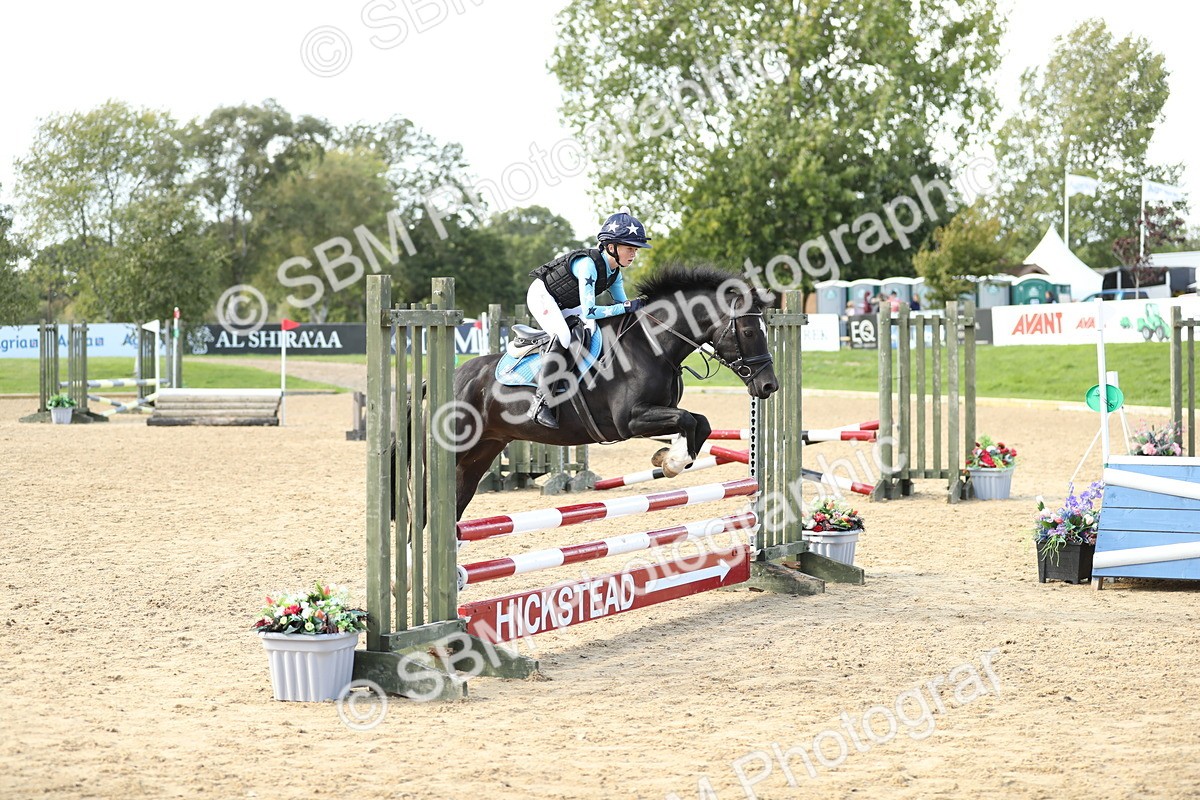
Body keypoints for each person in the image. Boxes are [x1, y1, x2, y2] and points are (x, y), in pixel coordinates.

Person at [524, 209, 651, 428]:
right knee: (564, 335)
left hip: (568, 304)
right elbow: (591, 311)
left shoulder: (615, 274)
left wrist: (639, 309)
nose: (633, 254)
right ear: (611, 247)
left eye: (635, 249)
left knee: (592, 331)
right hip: (542, 296)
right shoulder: (588, 265)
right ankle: (541, 402)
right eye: (629, 248)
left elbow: (624, 307)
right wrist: (627, 307)